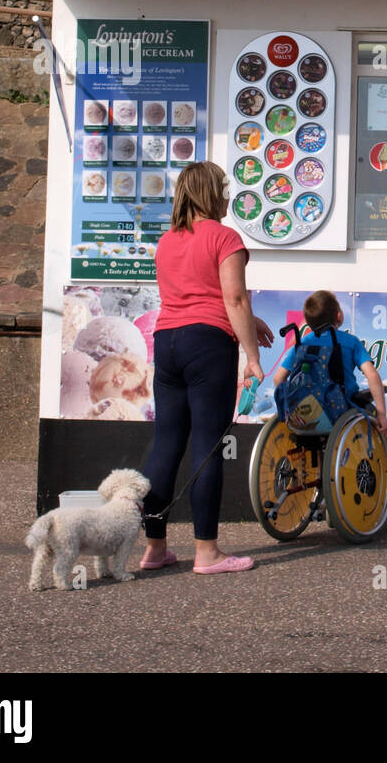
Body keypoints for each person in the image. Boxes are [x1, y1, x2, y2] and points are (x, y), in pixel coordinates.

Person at [141, 161, 273, 575]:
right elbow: (232, 299)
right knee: (207, 445)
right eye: (223, 188)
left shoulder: (167, 241)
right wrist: (252, 357)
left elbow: (194, 296)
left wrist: (252, 323)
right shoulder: (225, 237)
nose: (227, 195)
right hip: (208, 346)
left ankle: (155, 548)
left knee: (166, 445)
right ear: (210, 193)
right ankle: (207, 553)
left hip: (167, 343)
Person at [273, 290, 387, 436]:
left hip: (307, 411)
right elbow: (372, 375)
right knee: (371, 414)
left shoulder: (303, 344)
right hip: (343, 408)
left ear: (308, 323)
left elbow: (278, 378)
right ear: (339, 317)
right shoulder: (350, 341)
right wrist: (382, 414)